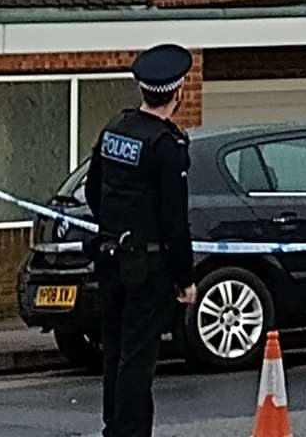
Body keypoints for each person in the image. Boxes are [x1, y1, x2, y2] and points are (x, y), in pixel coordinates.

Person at [86, 43, 197, 437]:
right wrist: (185, 279)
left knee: (114, 349)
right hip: (147, 267)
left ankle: (114, 427)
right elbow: (174, 221)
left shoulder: (116, 128)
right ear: (178, 92)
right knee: (137, 357)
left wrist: (114, 227)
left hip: (111, 255)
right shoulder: (167, 146)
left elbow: (93, 190)